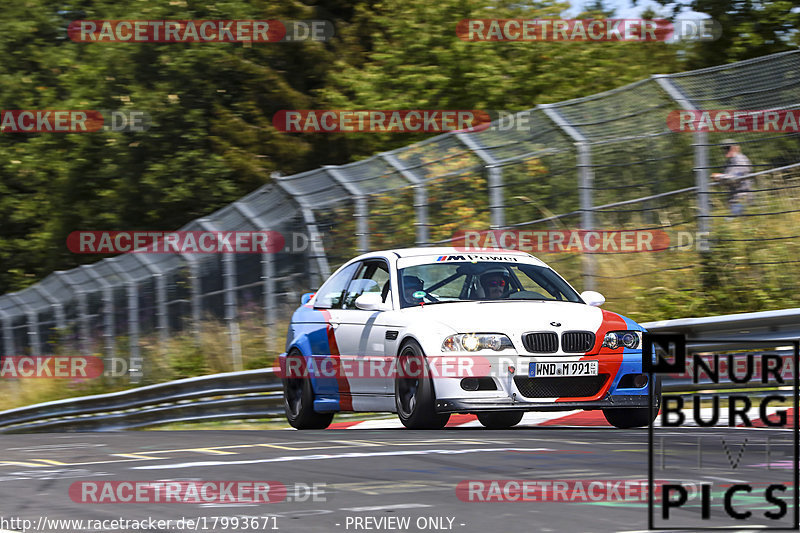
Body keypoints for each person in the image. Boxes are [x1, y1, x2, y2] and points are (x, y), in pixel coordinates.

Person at [711, 139, 752, 216]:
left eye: (728, 148)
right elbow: (728, 180)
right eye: (724, 148)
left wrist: (719, 176)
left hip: (741, 197)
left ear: (735, 148)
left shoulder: (740, 159)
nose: (725, 150)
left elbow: (736, 177)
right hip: (733, 198)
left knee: (735, 222)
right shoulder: (729, 162)